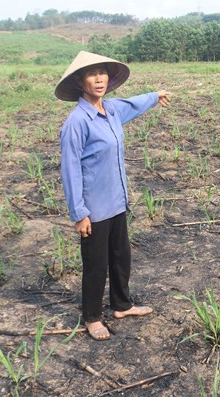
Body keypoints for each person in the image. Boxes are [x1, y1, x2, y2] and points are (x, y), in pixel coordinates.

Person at [56, 51, 170, 340]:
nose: (99, 79)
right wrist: (78, 212)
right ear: (80, 82)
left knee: (121, 256)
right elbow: (70, 169)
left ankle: (121, 305)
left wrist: (156, 95)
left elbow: (135, 103)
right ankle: (92, 317)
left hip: (117, 201)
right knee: (96, 264)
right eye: (91, 74)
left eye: (102, 73)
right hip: (94, 208)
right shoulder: (77, 122)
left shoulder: (113, 110)